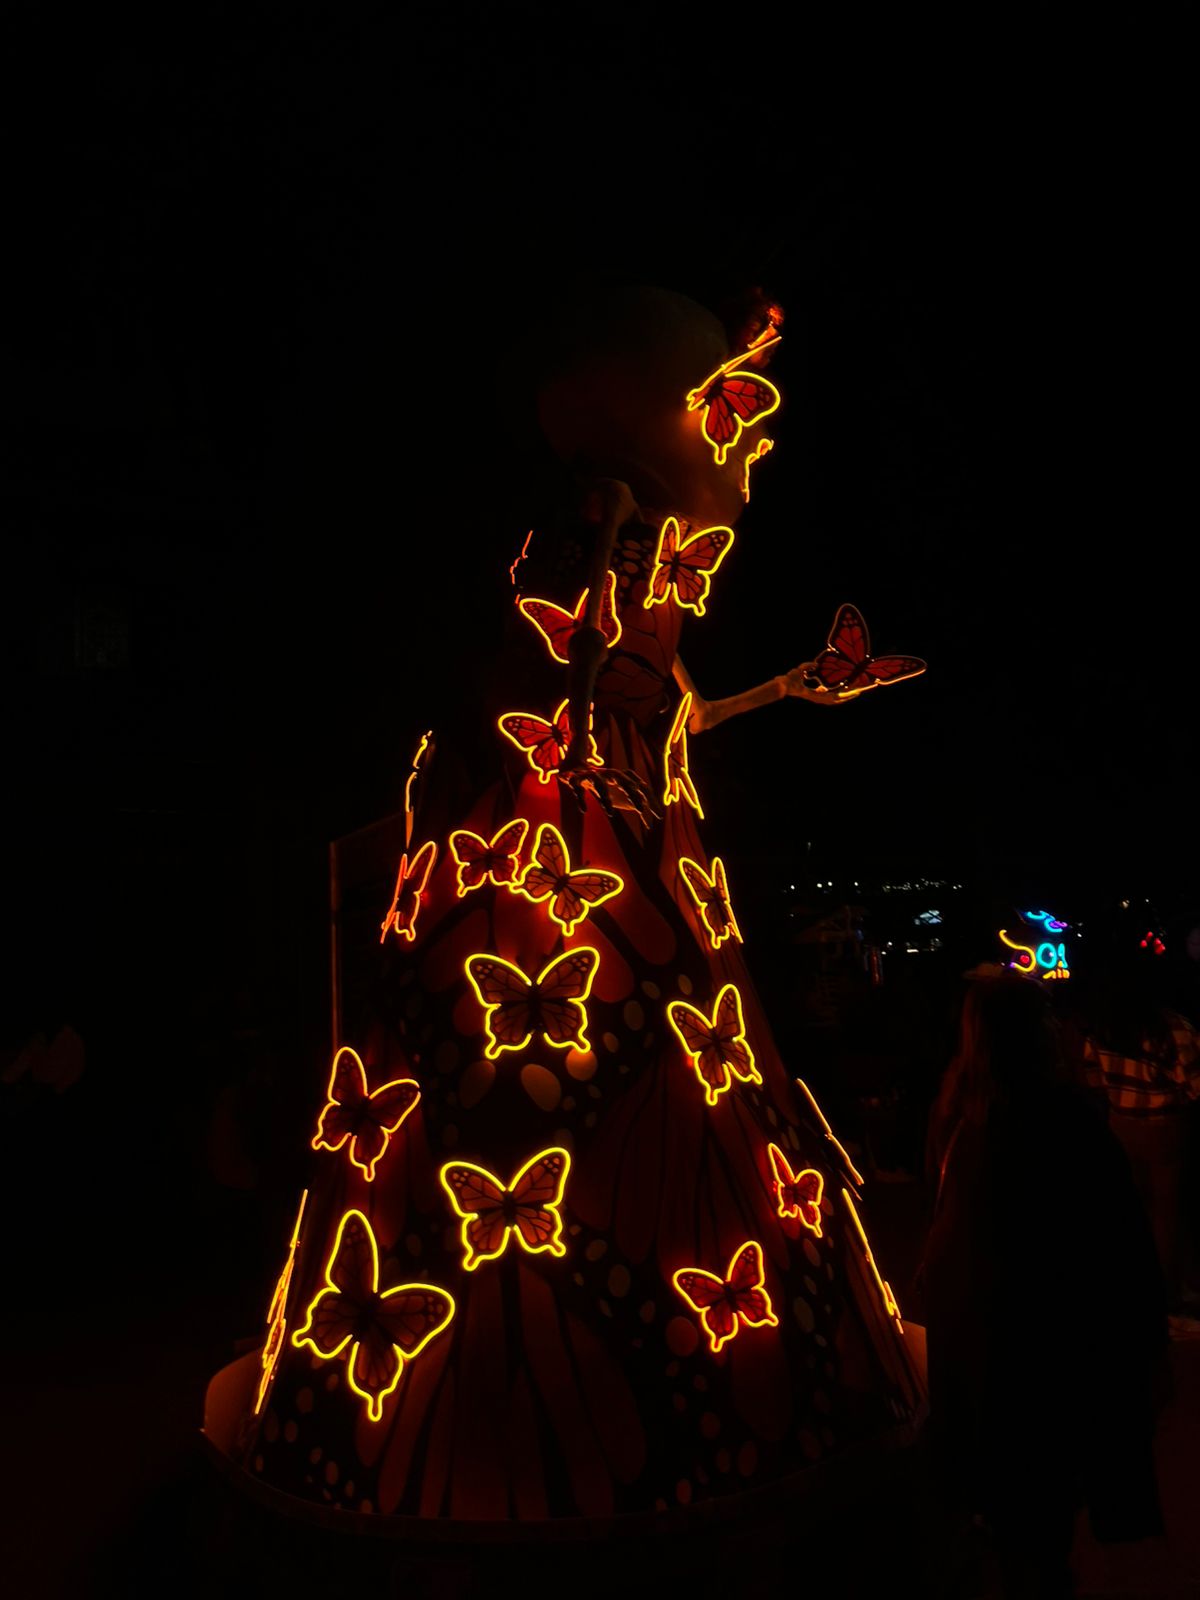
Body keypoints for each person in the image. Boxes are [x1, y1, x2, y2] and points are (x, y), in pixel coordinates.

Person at [207, 285, 926, 1525]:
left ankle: (690, 1372)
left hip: (641, 849)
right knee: (586, 1096)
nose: (748, 451)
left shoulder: (661, 611)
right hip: (564, 855)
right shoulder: (594, 559)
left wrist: (776, 694)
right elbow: (579, 669)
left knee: (693, 1096)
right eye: (729, 413)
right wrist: (587, 700)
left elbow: (670, 705)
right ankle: (537, 1417)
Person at [922, 974, 1166, 1596]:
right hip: (1049, 1360)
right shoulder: (1065, 1126)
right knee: (1040, 1530)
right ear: (1036, 1036)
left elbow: (947, 1239)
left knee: (1013, 1524)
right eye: (1049, 1021)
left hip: (979, 1356)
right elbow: (1121, 1252)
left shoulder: (958, 1118)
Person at [1072, 938, 1200, 1326]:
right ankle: (1169, 1296)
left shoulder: (1102, 1028)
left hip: (1121, 1127)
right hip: (1166, 1130)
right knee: (1167, 1215)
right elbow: (1195, 1086)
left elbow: (1092, 1080)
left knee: (1133, 1211)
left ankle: (1136, 1291)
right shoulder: (1175, 1029)